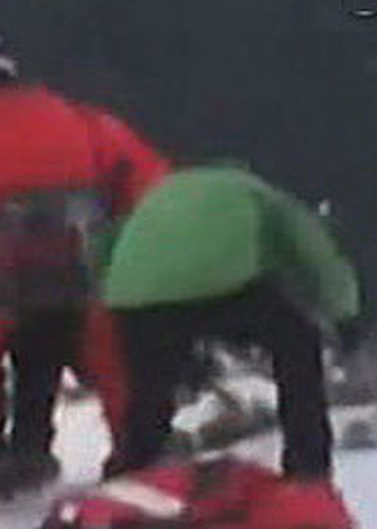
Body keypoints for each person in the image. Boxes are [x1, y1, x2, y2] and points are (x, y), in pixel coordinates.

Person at [0, 32, 169, 529]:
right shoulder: (75, 113)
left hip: (3, 263)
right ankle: (142, 459)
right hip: (80, 256)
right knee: (109, 358)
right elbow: (141, 174)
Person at [99, 165, 360, 522]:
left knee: (150, 393)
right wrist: (344, 313)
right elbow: (313, 253)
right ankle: (308, 469)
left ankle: (128, 475)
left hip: (132, 291)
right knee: (296, 340)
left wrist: (114, 295)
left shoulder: (158, 194)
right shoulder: (264, 196)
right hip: (221, 281)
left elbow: (105, 244)